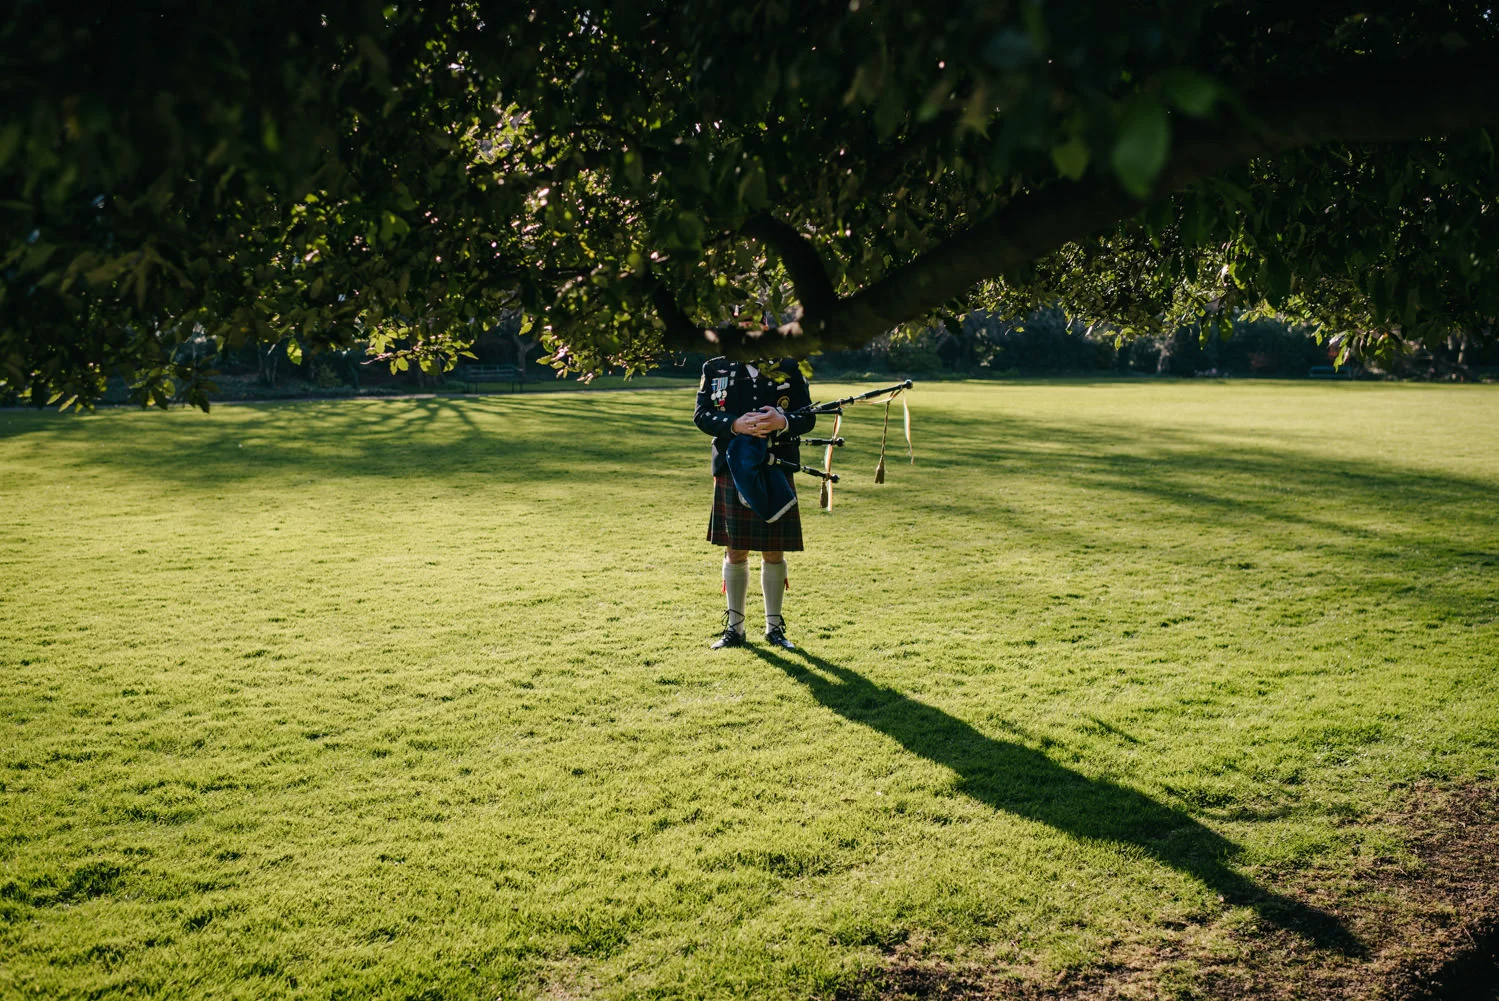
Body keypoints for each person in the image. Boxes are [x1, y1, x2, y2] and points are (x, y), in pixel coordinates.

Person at [694, 356, 816, 649]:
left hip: (777, 465)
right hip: (732, 468)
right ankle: (735, 630)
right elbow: (701, 414)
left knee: (774, 551)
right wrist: (735, 424)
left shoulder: (790, 366)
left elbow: (807, 416)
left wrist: (782, 421)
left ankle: (774, 629)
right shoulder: (715, 368)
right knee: (735, 551)